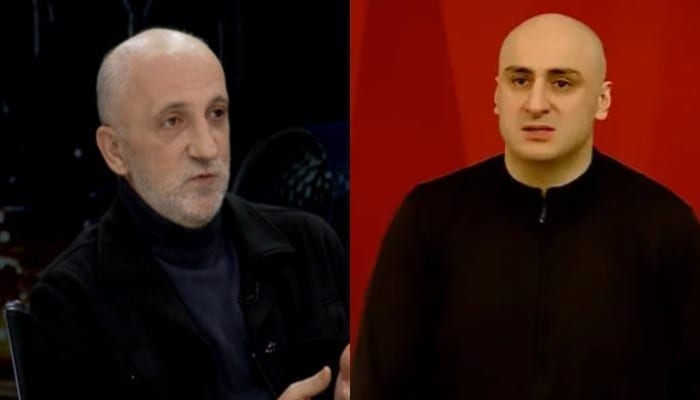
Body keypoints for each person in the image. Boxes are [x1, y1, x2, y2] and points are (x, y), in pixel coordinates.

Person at [353, 13, 700, 399]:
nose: (535, 104)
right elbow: (380, 384)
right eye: (520, 81)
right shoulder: (428, 217)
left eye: (561, 83)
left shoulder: (663, 226)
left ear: (602, 101)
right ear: (497, 96)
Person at [29, 28, 350, 400]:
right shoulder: (69, 300)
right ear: (115, 151)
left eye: (216, 114)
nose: (207, 147)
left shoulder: (310, 245)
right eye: (173, 121)